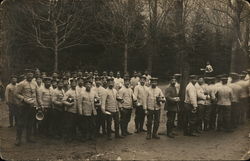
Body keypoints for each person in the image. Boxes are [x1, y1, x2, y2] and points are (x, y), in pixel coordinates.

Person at [15, 69, 38, 146]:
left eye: (31, 74)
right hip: (24, 106)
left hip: (32, 106)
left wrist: (37, 104)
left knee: (30, 122)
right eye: (28, 74)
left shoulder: (35, 84)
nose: (30, 75)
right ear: (26, 75)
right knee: (21, 123)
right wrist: (23, 99)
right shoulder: (21, 84)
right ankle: (18, 139)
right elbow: (16, 94)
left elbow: (36, 94)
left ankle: (29, 137)